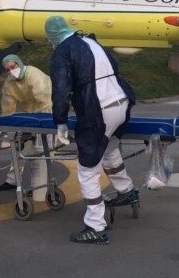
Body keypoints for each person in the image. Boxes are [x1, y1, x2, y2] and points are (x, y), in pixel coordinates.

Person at [47, 15, 137, 245]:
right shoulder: (91, 41)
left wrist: (60, 121)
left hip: (99, 110)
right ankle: (126, 190)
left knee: (87, 169)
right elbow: (114, 67)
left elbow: (60, 88)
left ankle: (95, 227)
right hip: (122, 102)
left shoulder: (63, 51)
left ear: (52, 36)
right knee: (110, 149)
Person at [0, 54, 53, 197]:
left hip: (47, 114)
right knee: (20, 148)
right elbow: (8, 106)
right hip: (27, 116)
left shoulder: (34, 75)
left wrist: (43, 124)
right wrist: (9, 127)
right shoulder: (10, 82)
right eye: (8, 69)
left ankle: (39, 186)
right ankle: (12, 180)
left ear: (19, 63)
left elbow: (45, 101)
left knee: (42, 150)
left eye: (13, 67)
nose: (11, 71)